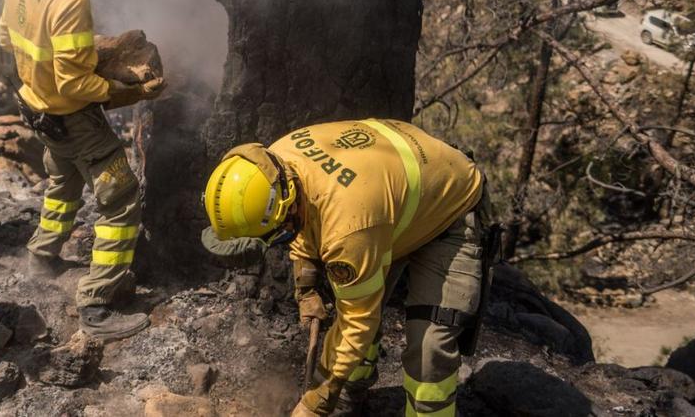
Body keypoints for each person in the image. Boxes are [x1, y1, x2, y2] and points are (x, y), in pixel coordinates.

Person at [200, 119, 495, 416]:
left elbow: (358, 321)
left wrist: (315, 401)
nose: (281, 241)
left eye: (276, 236)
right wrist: (306, 285)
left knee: (429, 348)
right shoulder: (274, 163)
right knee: (353, 308)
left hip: (450, 210)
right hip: (391, 204)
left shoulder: (349, 228)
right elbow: (307, 220)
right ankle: (346, 399)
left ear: (285, 205)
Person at [0, 0, 163, 341]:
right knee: (121, 199)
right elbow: (75, 84)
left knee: (64, 182)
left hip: (37, 110)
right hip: (75, 119)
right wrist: (128, 90)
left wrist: (88, 52)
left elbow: (8, 39)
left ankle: (43, 256)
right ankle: (97, 304)